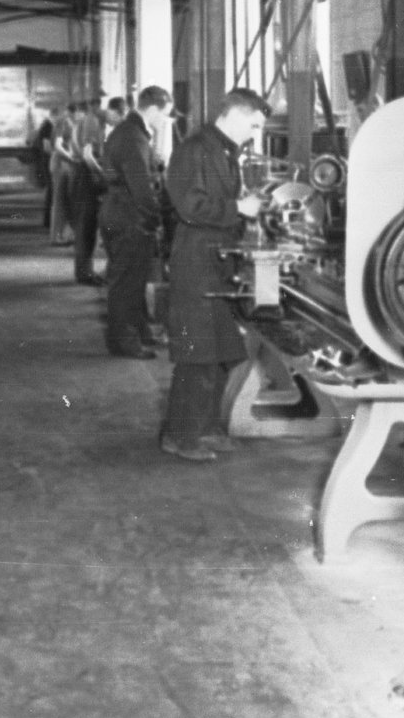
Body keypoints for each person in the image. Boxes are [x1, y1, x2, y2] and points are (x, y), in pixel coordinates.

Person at [160, 88, 270, 462]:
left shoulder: (224, 151)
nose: (254, 133)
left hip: (217, 262)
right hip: (196, 261)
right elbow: (188, 205)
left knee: (223, 351)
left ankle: (205, 428)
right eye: (253, 124)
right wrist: (239, 207)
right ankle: (180, 436)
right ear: (234, 115)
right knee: (198, 352)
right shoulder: (195, 149)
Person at [102, 87, 173, 358]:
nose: (162, 122)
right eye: (162, 116)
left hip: (117, 211)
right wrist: (155, 219)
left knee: (131, 279)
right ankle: (124, 342)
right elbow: (141, 187)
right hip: (129, 216)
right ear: (152, 109)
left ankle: (139, 332)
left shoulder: (126, 132)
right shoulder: (133, 137)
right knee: (127, 283)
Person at [70, 99, 109, 284]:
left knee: (83, 227)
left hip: (81, 175)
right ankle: (85, 273)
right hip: (86, 177)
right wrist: (101, 174)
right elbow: (87, 154)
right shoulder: (91, 122)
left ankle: (83, 271)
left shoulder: (83, 122)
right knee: (86, 227)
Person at [48, 105, 76, 245]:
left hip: (62, 163)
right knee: (59, 201)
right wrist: (72, 158)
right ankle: (56, 237)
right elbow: (59, 147)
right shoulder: (64, 122)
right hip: (61, 164)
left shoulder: (66, 122)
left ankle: (63, 235)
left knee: (63, 201)